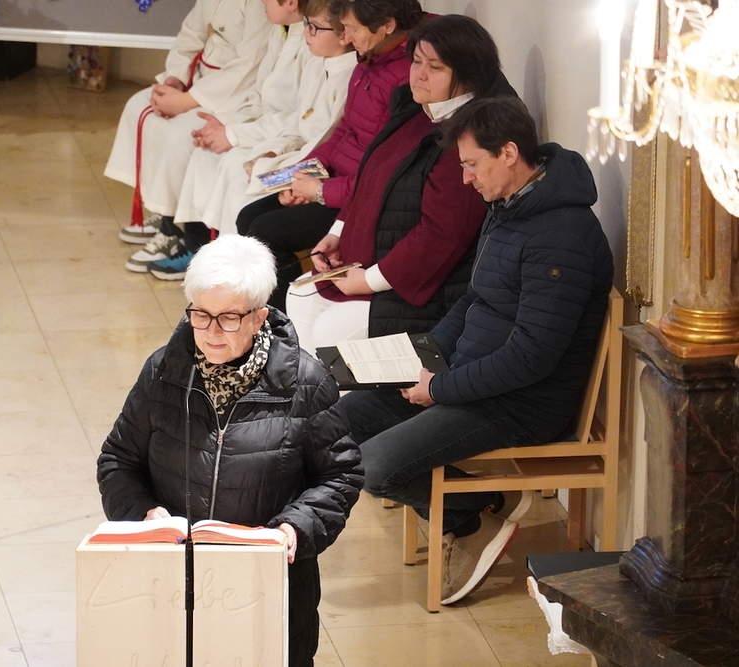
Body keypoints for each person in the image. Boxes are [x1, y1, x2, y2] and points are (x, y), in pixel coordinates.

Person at [341, 95, 615, 607]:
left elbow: (532, 357)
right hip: (471, 377)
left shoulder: (562, 235)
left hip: (523, 403)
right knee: (340, 423)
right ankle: (482, 505)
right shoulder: (508, 207)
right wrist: (426, 356)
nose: (465, 179)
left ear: (508, 153)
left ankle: (469, 518)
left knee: (374, 467)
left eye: (471, 165)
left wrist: (440, 388)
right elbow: (474, 300)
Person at [97, 235, 363, 666]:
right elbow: (118, 460)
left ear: (259, 317)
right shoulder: (163, 372)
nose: (211, 332)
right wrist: (143, 515)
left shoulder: (306, 383)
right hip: (172, 588)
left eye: (228, 318)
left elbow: (340, 475)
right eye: (200, 315)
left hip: (269, 589)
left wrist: (294, 528)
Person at [284, 14, 516, 349]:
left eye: (435, 67)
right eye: (416, 61)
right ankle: (313, 385)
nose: (418, 74)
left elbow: (441, 236)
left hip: (428, 289)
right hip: (374, 263)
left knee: (330, 330)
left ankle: (342, 387)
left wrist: (368, 280)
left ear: (467, 75)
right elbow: (371, 178)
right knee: (299, 295)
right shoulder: (415, 108)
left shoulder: (469, 138)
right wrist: (337, 234)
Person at [236, 0, 423, 308]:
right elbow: (344, 129)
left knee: (266, 233)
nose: (347, 37)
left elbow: (384, 171)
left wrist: (321, 191)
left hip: (358, 199)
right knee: (248, 217)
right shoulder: (369, 60)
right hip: (335, 181)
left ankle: (281, 319)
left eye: (352, 29)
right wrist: (302, 176)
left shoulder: (405, 79)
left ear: (387, 26)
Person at [126, 0, 315, 280]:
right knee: (206, 149)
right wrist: (226, 126)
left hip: (291, 147)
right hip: (264, 126)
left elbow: (303, 123)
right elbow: (260, 96)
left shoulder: (314, 48)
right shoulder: (282, 32)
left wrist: (234, 134)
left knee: (232, 170)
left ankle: (230, 268)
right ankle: (195, 245)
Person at [167, 0, 357, 245]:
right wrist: (266, 151)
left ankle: (228, 258)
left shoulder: (346, 77)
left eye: (314, 27)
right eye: (306, 24)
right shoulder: (322, 62)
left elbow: (323, 142)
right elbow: (298, 120)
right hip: (290, 148)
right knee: (224, 162)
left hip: (308, 165)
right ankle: (201, 248)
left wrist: (276, 167)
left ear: (344, 35)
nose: (306, 33)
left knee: (242, 183)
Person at [104, 0, 272, 243]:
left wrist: (185, 102)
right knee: (138, 106)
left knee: (180, 136)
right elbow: (191, 34)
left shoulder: (259, 4)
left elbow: (249, 66)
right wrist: (176, 79)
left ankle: (174, 231)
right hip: (198, 83)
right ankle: (163, 211)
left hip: (233, 96)